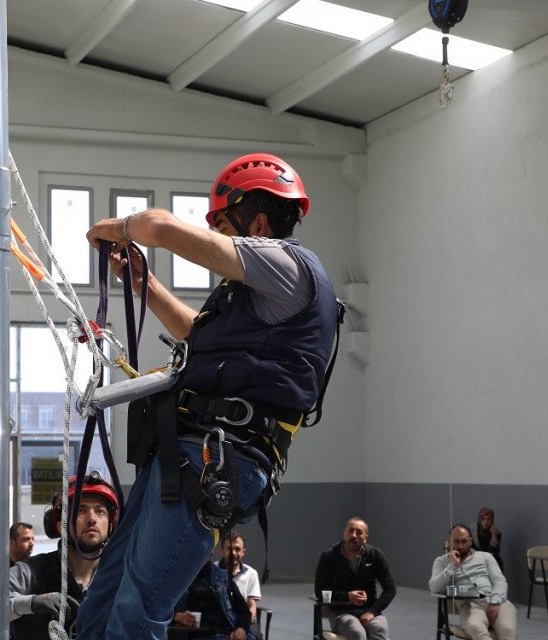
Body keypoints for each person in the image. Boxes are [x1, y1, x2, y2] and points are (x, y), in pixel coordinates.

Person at [76, 153, 341, 640]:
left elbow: (159, 226)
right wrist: (144, 284)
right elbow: (199, 335)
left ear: (258, 222)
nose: (219, 239)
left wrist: (116, 227)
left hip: (216, 457)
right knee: (105, 599)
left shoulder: (289, 264)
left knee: (136, 614)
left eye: (224, 226)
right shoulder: (257, 298)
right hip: (188, 454)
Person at [0, 474, 119, 639]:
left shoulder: (122, 576)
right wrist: (31, 603)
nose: (92, 519)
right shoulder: (31, 572)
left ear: (111, 524)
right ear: (61, 526)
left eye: (100, 511)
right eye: (80, 510)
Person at [429, 524, 518, 640]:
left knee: (507, 630)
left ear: (471, 541)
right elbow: (434, 588)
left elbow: (500, 581)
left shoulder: (485, 557)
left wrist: (495, 603)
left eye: (464, 541)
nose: (460, 546)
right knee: (476, 628)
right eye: (456, 542)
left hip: (496, 601)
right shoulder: (441, 562)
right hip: (469, 605)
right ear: (450, 542)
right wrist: (451, 566)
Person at [313, 518, 397, 640]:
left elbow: (390, 589)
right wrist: (347, 596)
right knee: (357, 633)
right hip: (341, 612)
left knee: (379, 630)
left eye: (359, 532)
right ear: (344, 533)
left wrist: (372, 611)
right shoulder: (329, 556)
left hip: (370, 611)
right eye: (350, 531)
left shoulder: (375, 555)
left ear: (366, 538)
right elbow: (320, 591)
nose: (354, 535)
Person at [171, 559, 253, 640]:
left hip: (227, 634)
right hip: (197, 635)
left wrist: (241, 629)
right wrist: (176, 616)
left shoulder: (224, 579)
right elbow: (161, 611)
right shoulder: (176, 577)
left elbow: (243, 609)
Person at [219, 532, 262, 635]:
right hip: (221, 622)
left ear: (243, 552)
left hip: (244, 621)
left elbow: (252, 606)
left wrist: (243, 626)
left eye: (237, 549)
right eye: (229, 549)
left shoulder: (251, 573)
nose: (233, 553)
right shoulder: (213, 571)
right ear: (222, 551)